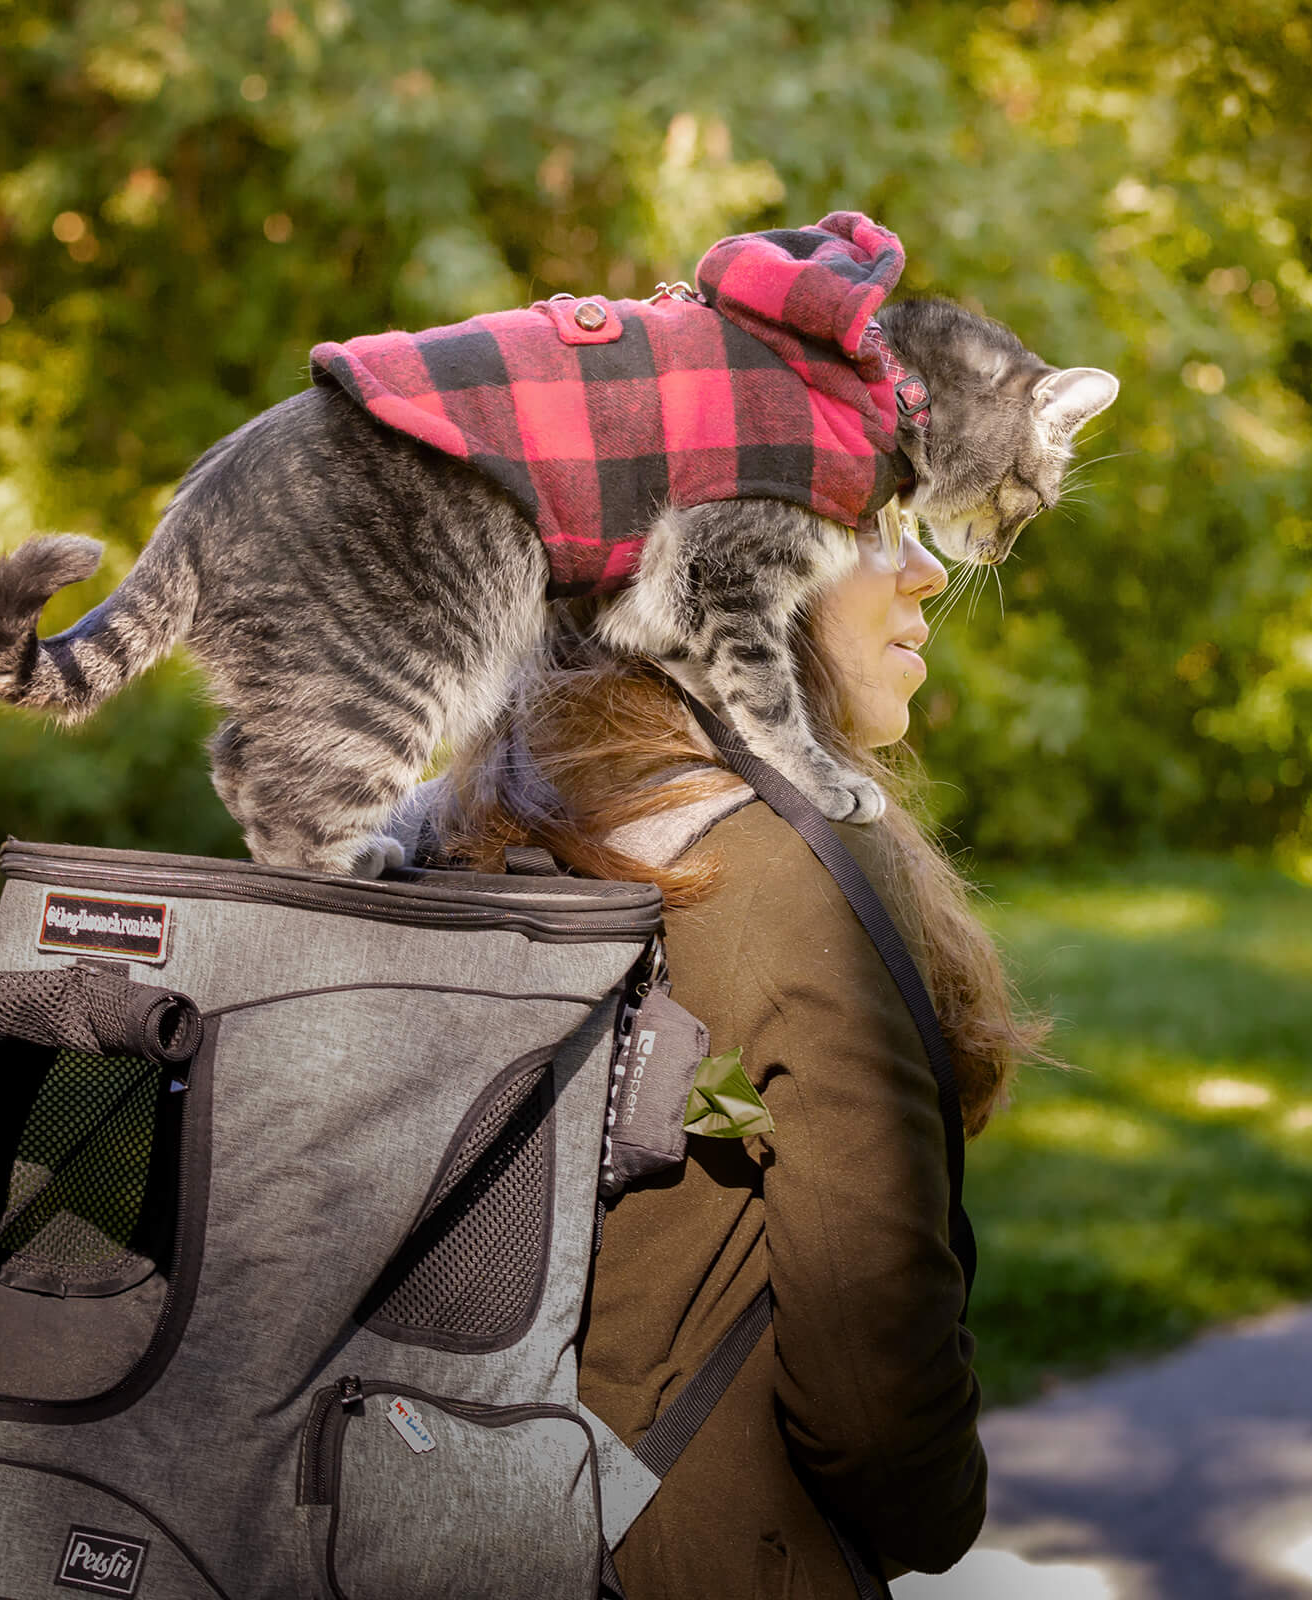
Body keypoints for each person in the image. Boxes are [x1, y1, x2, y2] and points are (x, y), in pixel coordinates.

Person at [430, 514, 1047, 1596]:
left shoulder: (447, 829)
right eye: (877, 522)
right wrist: (943, 1516)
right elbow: (879, 1415)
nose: (928, 569)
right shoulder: (777, 873)